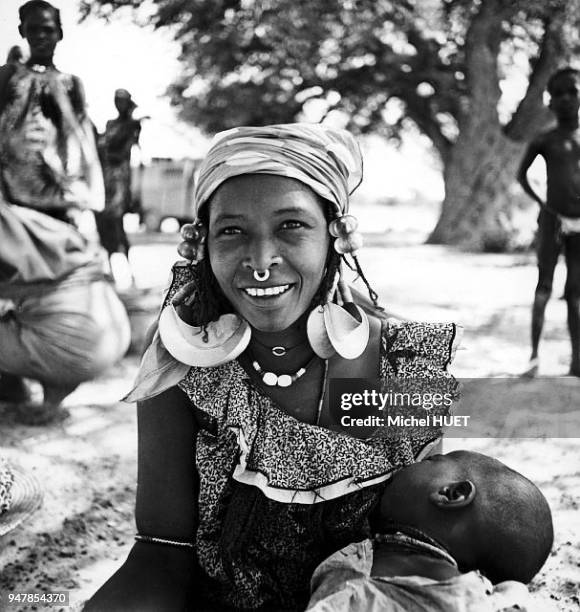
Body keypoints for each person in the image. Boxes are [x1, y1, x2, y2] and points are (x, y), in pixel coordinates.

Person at [86, 123, 461, 611]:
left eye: (291, 226)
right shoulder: (182, 368)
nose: (261, 261)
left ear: (336, 235)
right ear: (202, 242)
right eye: (232, 231)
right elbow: (162, 552)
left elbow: (428, 549)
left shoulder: (401, 364)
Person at [0, 1, 130, 422]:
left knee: (55, 286)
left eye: (48, 29)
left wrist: (85, 197)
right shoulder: (8, 77)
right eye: (33, 29)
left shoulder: (71, 83)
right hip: (16, 195)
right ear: (21, 30)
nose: (41, 36)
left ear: (60, 32)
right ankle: (13, 377)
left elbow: (81, 140)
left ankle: (50, 369)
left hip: (60, 202)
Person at [307, 450, 553, 611]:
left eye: (430, 460)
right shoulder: (486, 600)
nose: (409, 460)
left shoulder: (354, 598)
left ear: (451, 494)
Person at [517, 67, 580, 377]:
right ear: (550, 102)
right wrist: (543, 204)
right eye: (559, 94)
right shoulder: (546, 139)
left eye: (573, 91)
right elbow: (521, 174)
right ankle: (533, 357)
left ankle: (577, 363)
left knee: (576, 292)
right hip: (552, 222)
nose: (567, 99)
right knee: (544, 286)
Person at [94, 88, 142, 282]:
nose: (118, 104)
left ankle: (129, 271)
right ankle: (111, 269)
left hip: (119, 179)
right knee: (103, 223)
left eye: (121, 101)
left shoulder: (131, 125)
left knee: (117, 223)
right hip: (104, 178)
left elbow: (122, 152)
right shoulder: (110, 124)